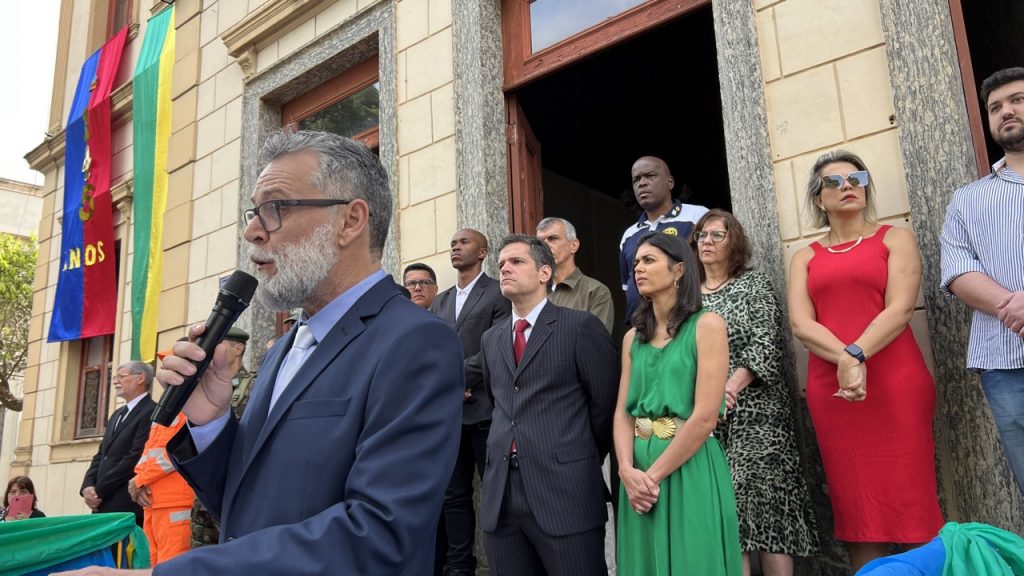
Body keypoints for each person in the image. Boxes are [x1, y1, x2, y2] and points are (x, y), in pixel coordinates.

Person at [58, 130, 465, 576]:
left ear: (351, 221)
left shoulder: (415, 341)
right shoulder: (283, 349)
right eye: (254, 212)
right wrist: (212, 422)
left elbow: (381, 534)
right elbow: (244, 505)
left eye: (275, 208)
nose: (252, 231)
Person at [788, 150, 945, 570]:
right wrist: (846, 360)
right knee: (858, 509)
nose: (848, 186)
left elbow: (900, 309)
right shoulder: (804, 257)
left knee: (913, 505)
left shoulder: (895, 238)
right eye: (834, 182)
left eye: (855, 178)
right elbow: (802, 324)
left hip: (895, 385)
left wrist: (854, 354)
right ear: (819, 199)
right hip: (836, 394)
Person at [474, 234, 618, 576]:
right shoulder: (491, 339)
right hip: (501, 500)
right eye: (502, 264)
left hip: (565, 493)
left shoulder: (580, 327)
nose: (505, 268)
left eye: (517, 262)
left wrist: (571, 454)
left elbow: (604, 406)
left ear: (544, 273)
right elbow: (499, 404)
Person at [693, 210, 817, 576]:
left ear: (736, 244)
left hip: (759, 415)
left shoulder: (754, 284)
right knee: (725, 512)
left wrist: (728, 388)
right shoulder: (689, 298)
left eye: (718, 235)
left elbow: (766, 343)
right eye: (702, 235)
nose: (708, 242)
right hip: (707, 419)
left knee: (761, 507)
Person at [614, 231, 741, 575]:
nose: (637, 268)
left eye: (649, 260)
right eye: (635, 262)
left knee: (694, 561)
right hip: (638, 473)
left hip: (687, 466)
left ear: (679, 270)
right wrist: (626, 472)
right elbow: (623, 414)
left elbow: (704, 417)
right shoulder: (631, 338)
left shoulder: (708, 326)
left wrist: (650, 479)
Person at [941, 66, 1024, 495]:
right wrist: (1014, 308)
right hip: (1005, 360)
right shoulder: (968, 199)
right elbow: (956, 270)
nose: (1005, 111)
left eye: (1017, 100)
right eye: (995, 107)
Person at [429, 228, 511, 576]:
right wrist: (446, 384)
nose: (455, 247)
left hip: (485, 411)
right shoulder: (441, 301)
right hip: (449, 415)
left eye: (463, 242)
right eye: (452, 243)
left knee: (497, 493)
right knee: (454, 496)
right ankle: (461, 566)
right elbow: (432, 349)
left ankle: (505, 562)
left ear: (483, 251)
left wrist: (458, 379)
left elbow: (496, 344)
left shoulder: (497, 293)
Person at [620, 156, 708, 324]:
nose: (642, 183)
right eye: (636, 179)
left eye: (650, 176)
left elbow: (714, 270)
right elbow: (628, 287)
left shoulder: (698, 216)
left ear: (670, 182)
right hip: (641, 328)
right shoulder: (629, 234)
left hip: (688, 322)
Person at [188, 327, 252, 549]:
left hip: (238, 491)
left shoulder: (256, 384)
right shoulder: (201, 387)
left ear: (238, 349)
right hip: (206, 494)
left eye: (219, 342)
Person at [81, 361, 157, 527]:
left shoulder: (151, 412)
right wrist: (87, 486)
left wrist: (99, 491)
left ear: (141, 379)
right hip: (102, 504)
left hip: (125, 504)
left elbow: (134, 457)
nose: (115, 381)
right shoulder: (117, 414)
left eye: (121, 376)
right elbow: (101, 455)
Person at [536, 217, 614, 333]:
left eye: (553, 238)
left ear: (574, 246)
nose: (545, 246)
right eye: (540, 242)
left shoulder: (596, 292)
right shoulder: (532, 291)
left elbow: (596, 344)